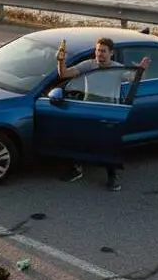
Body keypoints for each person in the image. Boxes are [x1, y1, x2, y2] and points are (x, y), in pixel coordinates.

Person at [54, 36, 150, 192]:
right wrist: (60, 61)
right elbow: (63, 74)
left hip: (108, 111)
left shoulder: (117, 68)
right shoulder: (88, 65)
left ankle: (112, 176)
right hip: (88, 108)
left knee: (107, 145)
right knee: (78, 140)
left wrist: (141, 70)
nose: (100, 54)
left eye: (104, 51)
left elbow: (135, 79)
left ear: (111, 53)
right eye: (98, 50)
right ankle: (76, 170)